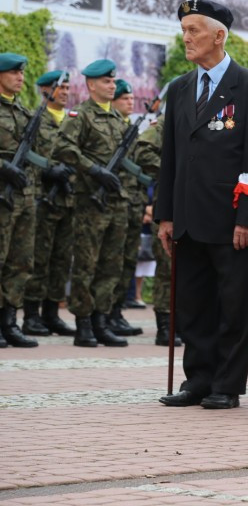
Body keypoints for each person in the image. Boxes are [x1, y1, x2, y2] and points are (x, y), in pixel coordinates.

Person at [156, 0, 248, 409]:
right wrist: (165, 214)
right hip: (188, 218)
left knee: (233, 305)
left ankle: (227, 384)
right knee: (193, 304)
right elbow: (169, 156)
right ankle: (198, 379)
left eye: (194, 30)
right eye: (184, 29)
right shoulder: (181, 88)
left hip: (230, 219)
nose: (186, 37)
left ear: (219, 35)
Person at [53, 59, 133, 348]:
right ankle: (84, 323)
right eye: (106, 81)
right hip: (90, 200)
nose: (112, 85)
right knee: (86, 264)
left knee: (111, 265)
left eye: (113, 81)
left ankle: (102, 320)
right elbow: (63, 147)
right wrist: (94, 169)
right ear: (91, 85)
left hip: (117, 201)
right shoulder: (80, 115)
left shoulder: (116, 119)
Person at [22, 69, 77, 337]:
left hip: (67, 199)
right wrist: (47, 170)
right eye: (60, 88)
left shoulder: (71, 120)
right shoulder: (34, 118)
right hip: (42, 197)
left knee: (61, 258)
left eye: (67, 88)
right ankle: (31, 315)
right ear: (46, 91)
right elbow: (24, 153)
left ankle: (52, 314)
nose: (65, 92)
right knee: (39, 258)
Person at [0, 52, 41, 348]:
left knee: (21, 261)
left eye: (22, 73)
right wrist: (3, 167)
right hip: (2, 193)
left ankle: (9, 322)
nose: (20, 77)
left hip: (24, 195)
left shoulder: (25, 112)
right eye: (14, 72)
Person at [132, 114, 181, 347]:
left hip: (203, 204)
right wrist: (175, 172)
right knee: (167, 266)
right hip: (172, 204)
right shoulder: (167, 121)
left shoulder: (213, 118)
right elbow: (142, 151)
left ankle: (186, 322)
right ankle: (166, 326)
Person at [108, 79, 145, 336]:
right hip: (113, 200)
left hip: (133, 202)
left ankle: (116, 311)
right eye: (124, 99)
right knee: (111, 260)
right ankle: (104, 313)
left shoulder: (131, 127)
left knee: (127, 261)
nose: (129, 102)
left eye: (131, 99)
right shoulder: (111, 127)